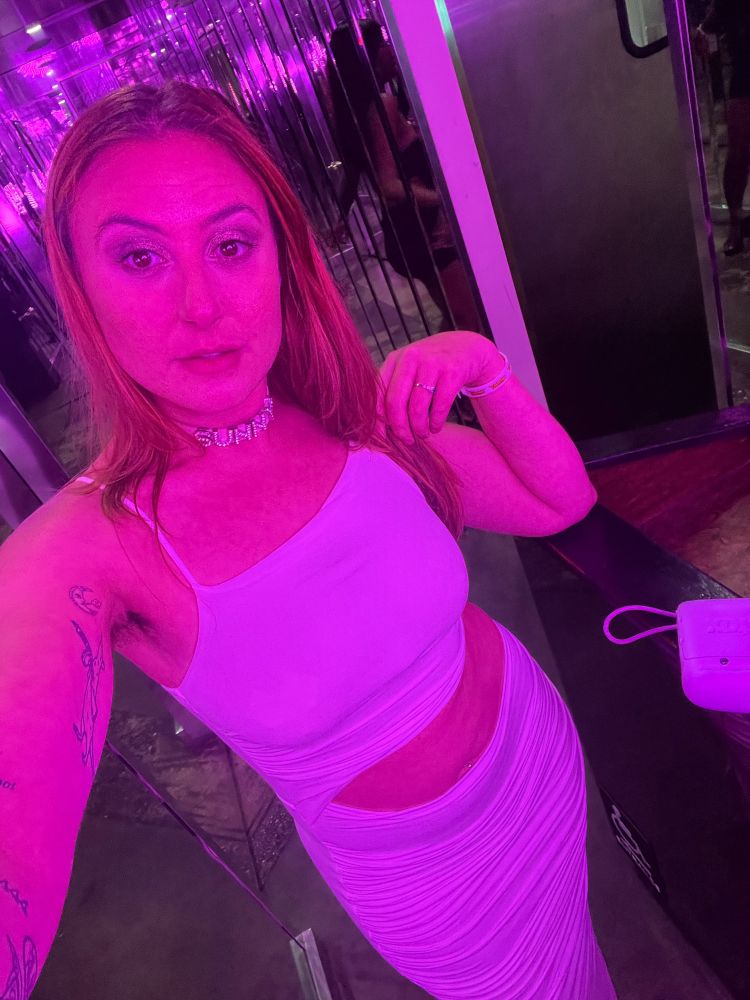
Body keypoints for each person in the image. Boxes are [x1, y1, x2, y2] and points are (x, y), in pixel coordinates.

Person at [0, 81, 615, 999]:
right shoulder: (87, 547)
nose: (202, 305)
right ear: (80, 290)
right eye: (139, 257)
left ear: (280, 259)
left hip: (538, 758)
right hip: (437, 885)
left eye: (231, 245)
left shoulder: (349, 418)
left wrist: (483, 368)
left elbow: (556, 500)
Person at [327, 20, 483, 333]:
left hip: (408, 230)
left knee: (459, 318)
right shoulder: (383, 106)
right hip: (426, 230)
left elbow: (354, 171)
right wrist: (444, 199)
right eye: (383, 43)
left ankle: (443, 365)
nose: (391, 49)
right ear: (370, 57)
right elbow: (389, 186)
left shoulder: (363, 111)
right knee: (469, 320)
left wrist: (341, 217)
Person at [696, 0, 750, 254]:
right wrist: (702, 36)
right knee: (738, 153)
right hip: (745, 74)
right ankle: (735, 225)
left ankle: (736, 226)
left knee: (738, 153)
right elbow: (707, 26)